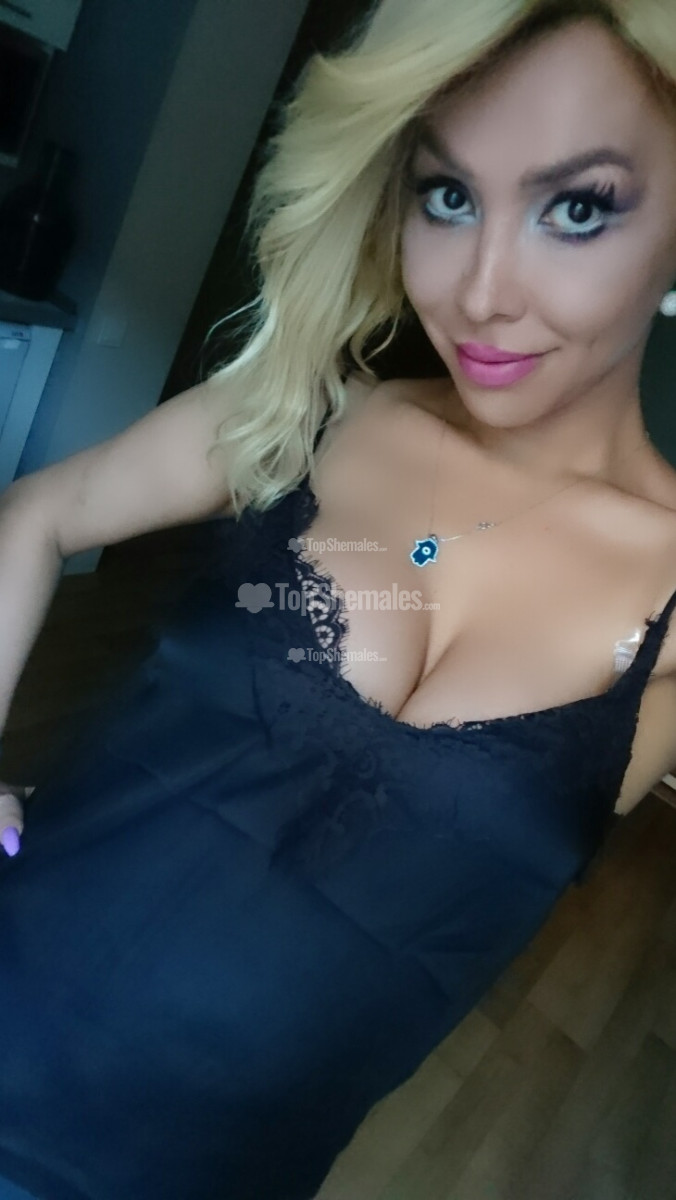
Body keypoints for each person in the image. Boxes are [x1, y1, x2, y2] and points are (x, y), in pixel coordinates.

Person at [2, 0, 676, 1196]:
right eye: (446, 196)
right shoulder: (314, 410)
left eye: (577, 207)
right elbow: (38, 510)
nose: (480, 291)